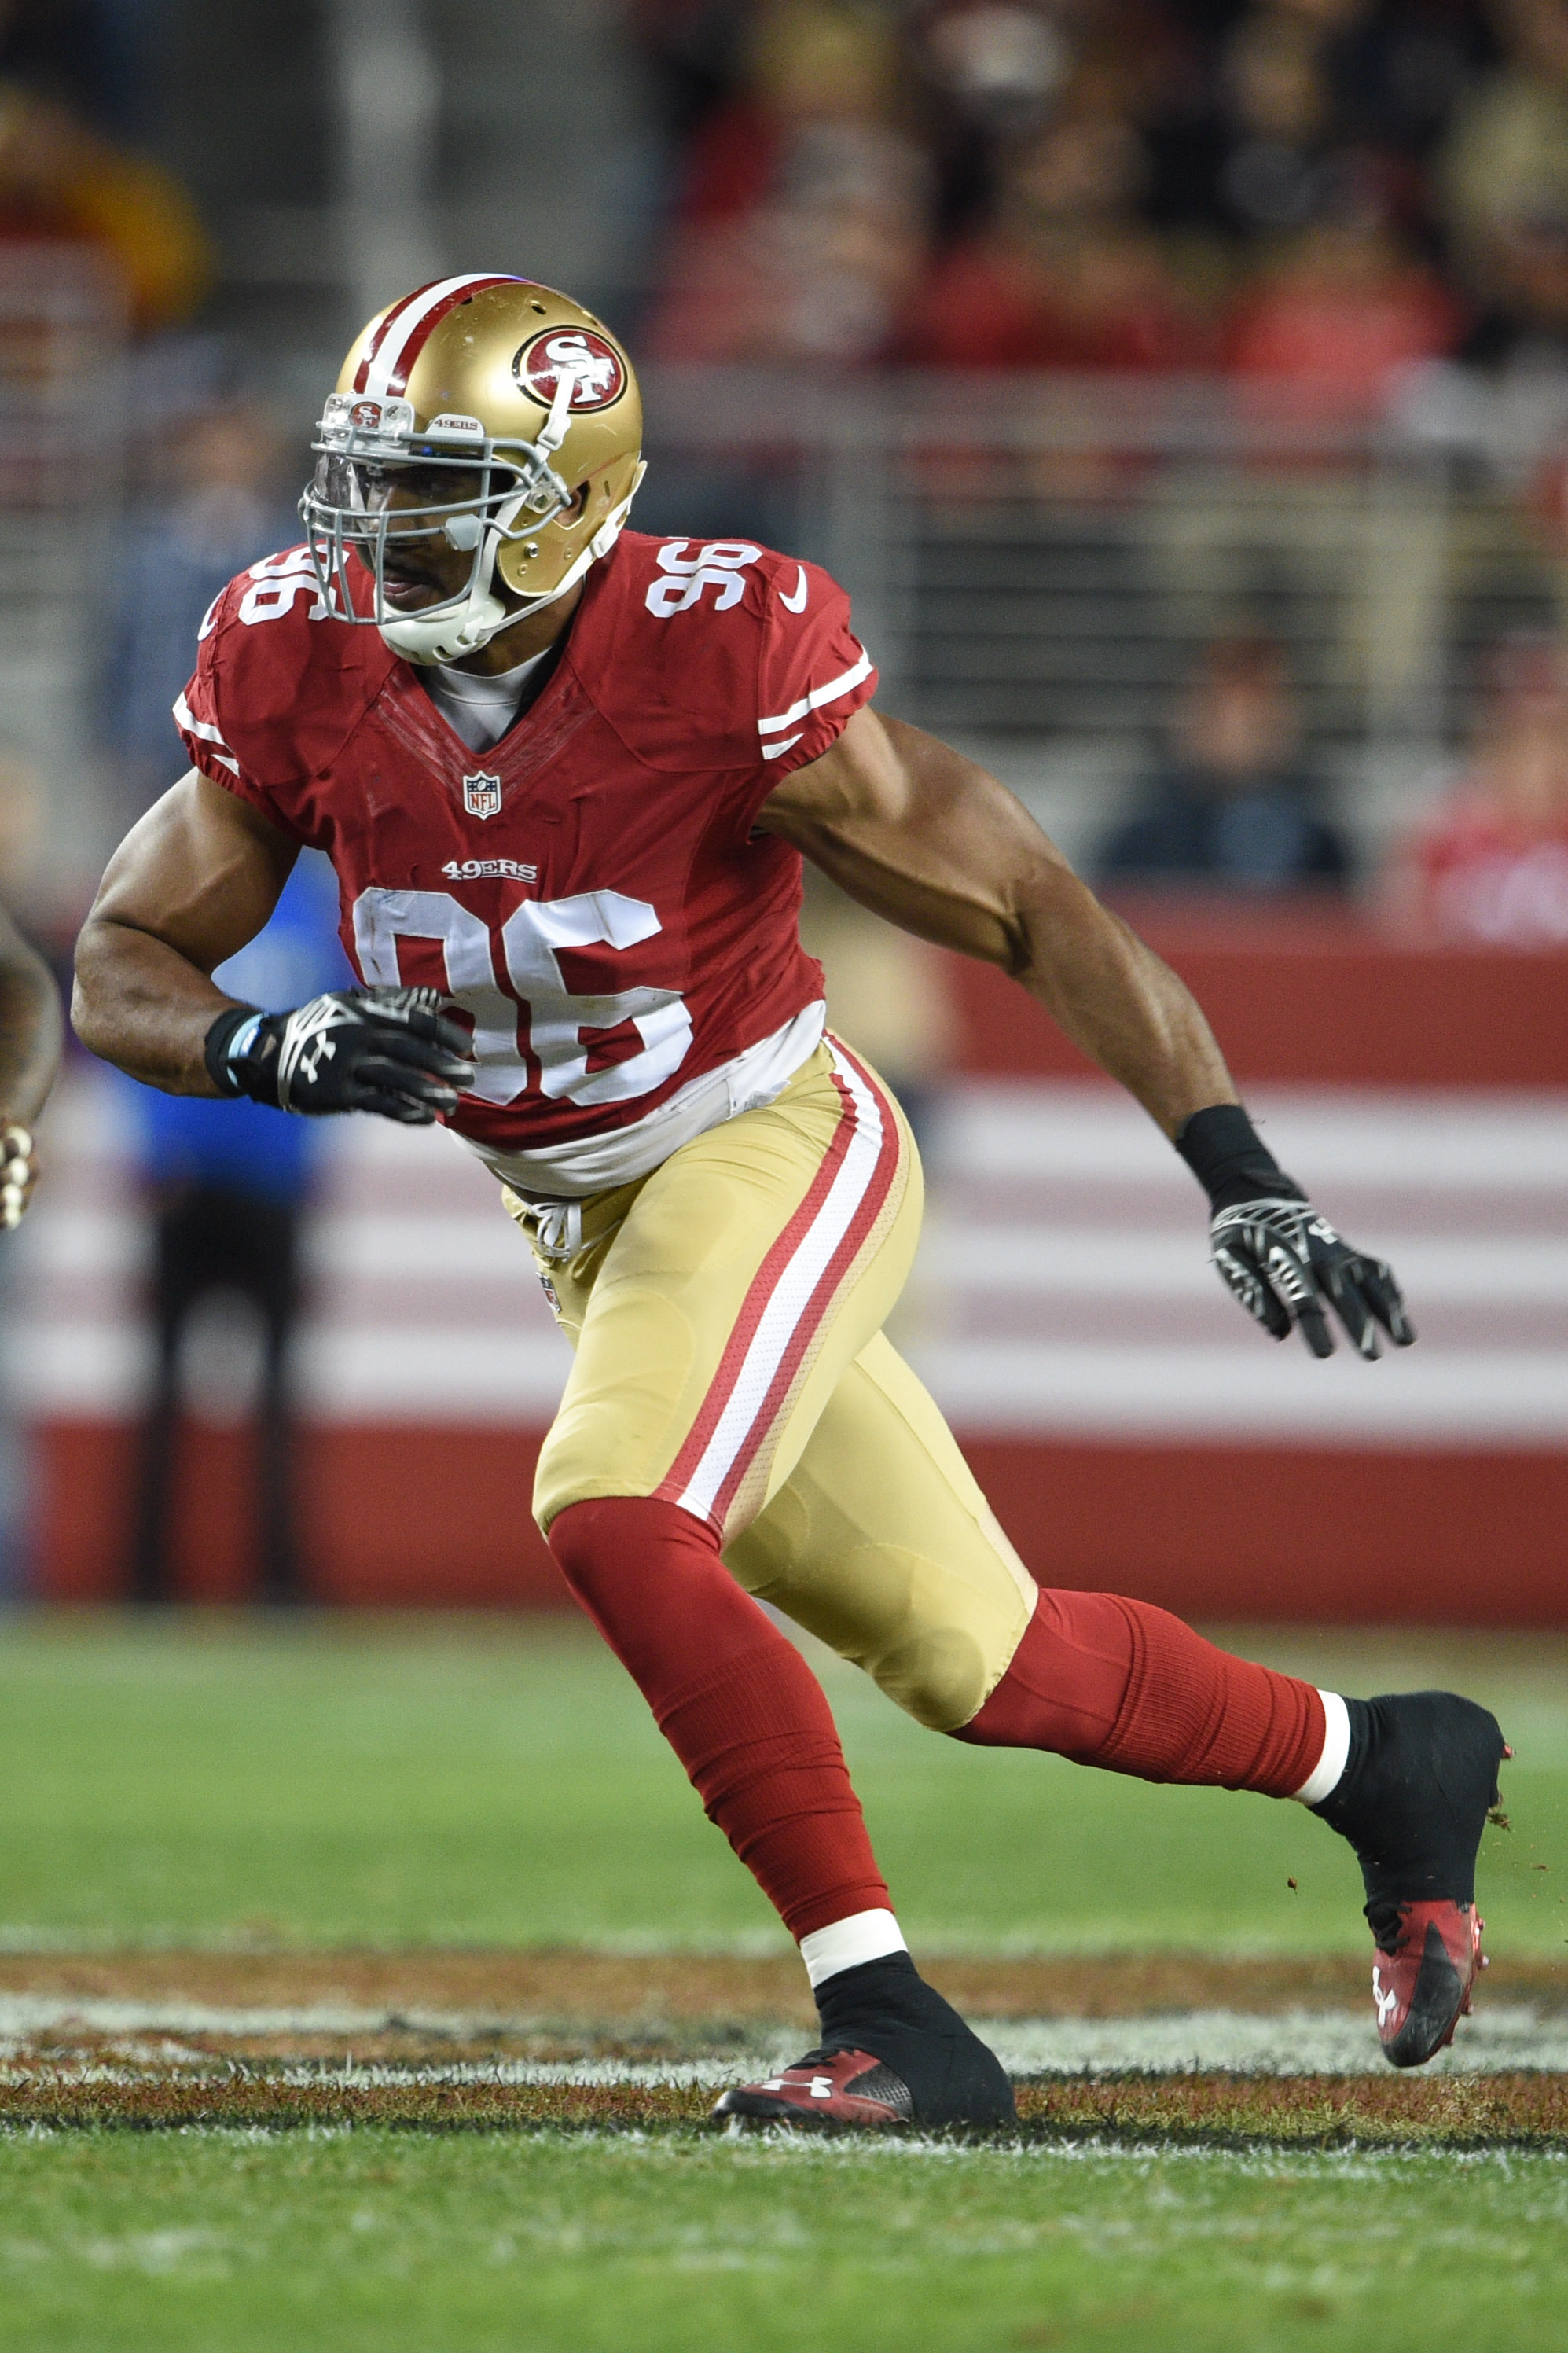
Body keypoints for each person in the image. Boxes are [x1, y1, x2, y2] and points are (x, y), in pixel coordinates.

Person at [73, 274, 1506, 2130]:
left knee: (614, 1507)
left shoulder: (717, 651)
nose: (376, 531)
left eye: (432, 490)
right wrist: (262, 1043)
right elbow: (121, 955)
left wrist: (1237, 1170)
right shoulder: (297, 653)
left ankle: (889, 2015)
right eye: (367, 480)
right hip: (580, 1220)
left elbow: (1026, 903)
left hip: (763, 1140)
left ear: (567, 501)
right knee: (983, 1657)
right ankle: (1382, 1761)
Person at [124, 852, 347, 1605]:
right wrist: (159, 1148)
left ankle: (266, 1576)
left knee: (272, 1396)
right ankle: (156, 1576)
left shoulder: (209, 900)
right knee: (171, 1391)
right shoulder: (205, 903)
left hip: (258, 1184)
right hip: (202, 1180)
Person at [1097, 633, 1351, 892]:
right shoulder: (1142, 848)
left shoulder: (1320, 849)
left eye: (1263, 700)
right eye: (1222, 703)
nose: (1244, 720)